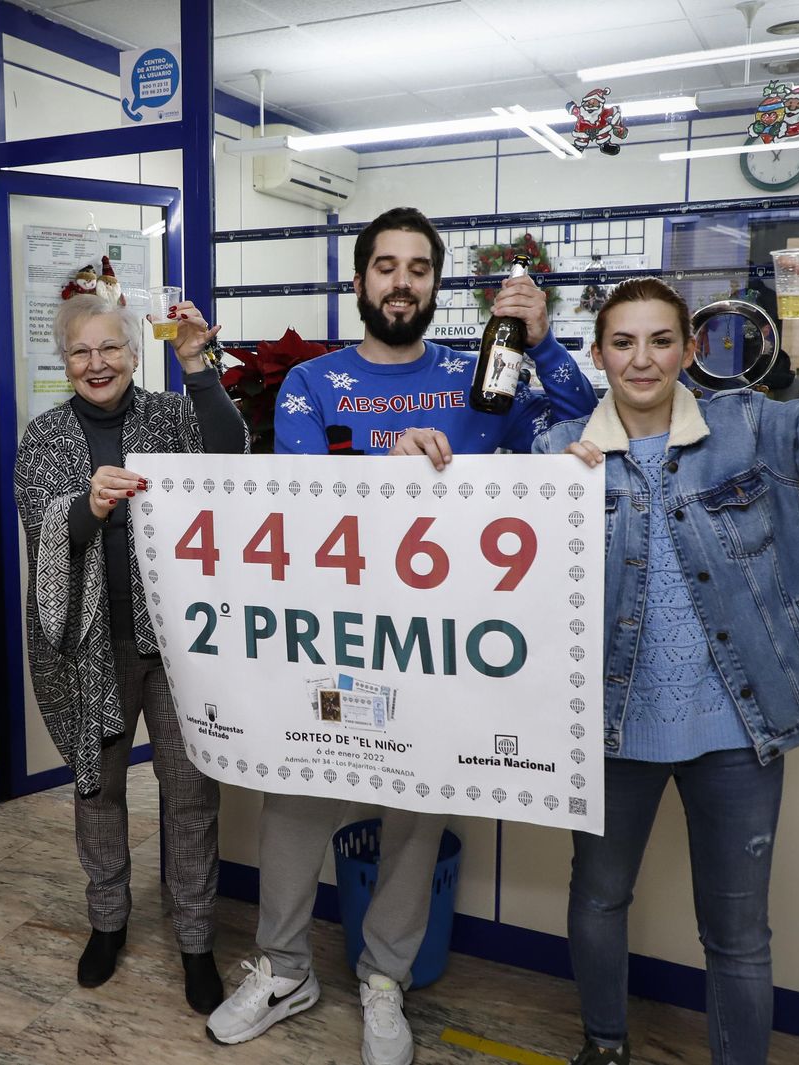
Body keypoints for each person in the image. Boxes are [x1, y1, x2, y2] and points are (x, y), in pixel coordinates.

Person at [208, 206, 597, 1065]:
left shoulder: (480, 380)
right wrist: (381, 470)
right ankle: (283, 968)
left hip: (438, 652)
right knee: (295, 788)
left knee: (419, 805)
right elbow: (297, 500)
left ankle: (385, 977)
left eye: (419, 268)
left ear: (436, 283)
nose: (401, 282)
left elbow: (583, 437)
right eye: (385, 266)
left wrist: (546, 343)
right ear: (359, 282)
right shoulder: (312, 383)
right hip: (334, 642)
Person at [535, 249, 799, 1065]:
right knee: (598, 896)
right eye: (624, 342)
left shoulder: (750, 425)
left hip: (740, 727)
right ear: (597, 354)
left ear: (688, 349)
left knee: (737, 931)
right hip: (608, 726)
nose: (643, 359)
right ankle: (604, 1047)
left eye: (661, 340)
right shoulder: (557, 451)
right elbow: (472, 532)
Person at [15, 292, 248, 1014]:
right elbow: (46, 530)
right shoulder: (44, 435)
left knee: (189, 795)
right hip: (87, 650)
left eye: (110, 348)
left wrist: (199, 369)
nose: (96, 363)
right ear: (65, 361)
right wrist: (88, 504)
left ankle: (197, 937)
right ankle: (107, 922)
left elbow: (231, 455)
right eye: (81, 351)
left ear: (134, 353)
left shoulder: (171, 416)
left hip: (176, 645)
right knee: (97, 789)